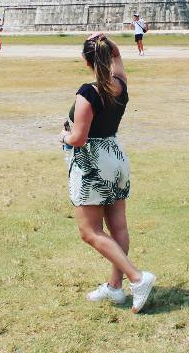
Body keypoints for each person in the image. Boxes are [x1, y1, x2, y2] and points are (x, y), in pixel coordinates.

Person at [59, 33, 155, 313]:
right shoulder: (119, 86)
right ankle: (115, 288)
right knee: (119, 228)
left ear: (85, 60)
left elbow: (78, 138)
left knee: (89, 231)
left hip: (93, 163)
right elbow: (118, 60)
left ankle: (137, 278)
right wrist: (111, 46)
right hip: (115, 157)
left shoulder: (88, 92)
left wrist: (63, 135)